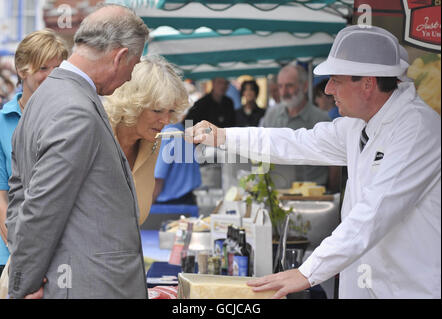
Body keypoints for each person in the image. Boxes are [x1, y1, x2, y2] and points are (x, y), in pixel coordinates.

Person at [186, 25, 441, 299]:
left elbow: (375, 212)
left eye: (336, 79)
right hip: (368, 283)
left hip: (409, 288)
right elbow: (294, 142)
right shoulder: (358, 125)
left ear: (367, 83)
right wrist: (223, 136)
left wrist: (308, 271)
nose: (329, 89)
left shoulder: (417, 128)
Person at [5, 4, 150, 299]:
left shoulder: (44, 96)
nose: (129, 78)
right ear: (120, 56)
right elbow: (41, 208)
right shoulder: (76, 108)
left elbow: (20, 196)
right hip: (89, 286)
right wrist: (24, 286)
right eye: (133, 66)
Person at [0, 29, 69, 297]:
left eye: (58, 68)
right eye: (43, 67)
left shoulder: (71, 119)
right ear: (22, 70)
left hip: (65, 257)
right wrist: (27, 260)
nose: (51, 75)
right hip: (16, 258)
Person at [103, 55, 190, 226]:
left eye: (171, 111)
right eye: (157, 111)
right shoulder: (95, 134)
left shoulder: (153, 142)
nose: (166, 121)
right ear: (133, 105)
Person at [261, 63, 332, 188]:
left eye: (289, 86)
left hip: (313, 196)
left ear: (304, 86)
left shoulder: (321, 120)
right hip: (278, 194)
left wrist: (331, 192)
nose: (284, 92)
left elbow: (334, 166)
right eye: (280, 86)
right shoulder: (271, 115)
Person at [153, 115, 202, 206]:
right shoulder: (179, 128)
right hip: (187, 199)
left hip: (169, 205)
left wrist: (142, 210)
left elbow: (158, 180)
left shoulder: (166, 134)